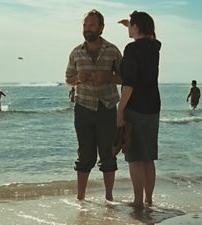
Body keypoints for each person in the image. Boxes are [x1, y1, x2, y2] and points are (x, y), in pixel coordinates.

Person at [65, 9, 122, 201]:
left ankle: (109, 199)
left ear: (101, 28)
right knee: (85, 155)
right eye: (85, 25)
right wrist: (78, 79)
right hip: (83, 108)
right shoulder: (76, 52)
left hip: (107, 107)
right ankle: (80, 199)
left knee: (108, 155)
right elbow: (68, 79)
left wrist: (108, 77)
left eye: (91, 25)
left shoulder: (113, 50)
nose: (87, 29)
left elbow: (124, 77)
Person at [117, 11, 161, 208]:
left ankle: (137, 200)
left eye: (131, 25)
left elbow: (130, 83)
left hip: (135, 106)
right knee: (148, 156)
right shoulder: (154, 47)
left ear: (136, 27)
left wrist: (120, 108)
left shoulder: (132, 49)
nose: (129, 28)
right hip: (153, 106)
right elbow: (150, 37)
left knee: (134, 156)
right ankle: (149, 199)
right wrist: (134, 24)